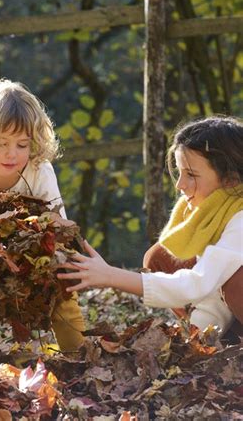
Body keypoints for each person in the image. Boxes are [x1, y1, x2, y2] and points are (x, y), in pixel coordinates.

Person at [58, 116, 243, 340]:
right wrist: (192, 341)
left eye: (191, 175)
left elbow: (198, 284)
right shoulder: (215, 212)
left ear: (230, 181)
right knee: (160, 258)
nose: (179, 185)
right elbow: (212, 296)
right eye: (179, 172)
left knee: (236, 282)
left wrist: (110, 275)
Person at [0, 78, 86, 352]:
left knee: (64, 289)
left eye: (22, 145)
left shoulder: (40, 171)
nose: (11, 153)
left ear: (34, 143)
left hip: (37, 255)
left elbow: (56, 223)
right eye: (1, 142)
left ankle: (78, 355)